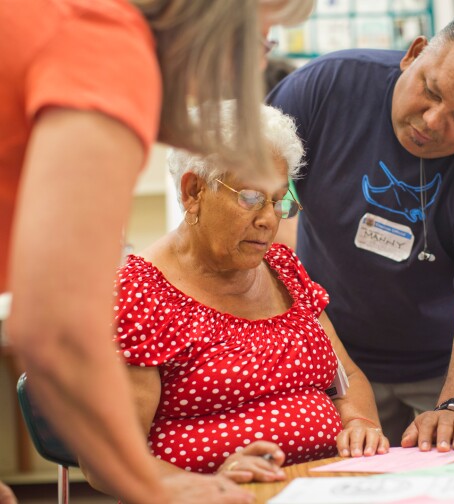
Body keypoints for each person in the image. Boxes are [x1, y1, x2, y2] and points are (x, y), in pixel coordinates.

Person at [0, 1, 313, 503]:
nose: (259, 67)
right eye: (262, 39)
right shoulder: (109, 45)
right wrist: (158, 484)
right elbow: (55, 328)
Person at [267, 10, 454, 451]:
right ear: (413, 54)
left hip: (447, 357)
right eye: (429, 91)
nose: (432, 121)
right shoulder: (327, 87)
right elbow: (248, 179)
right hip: (338, 353)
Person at [96, 101, 388, 486]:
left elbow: (347, 376)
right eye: (251, 197)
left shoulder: (283, 268)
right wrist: (210, 481)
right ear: (194, 191)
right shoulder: (138, 293)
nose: (269, 219)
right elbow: (108, 461)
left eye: (278, 200)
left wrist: (358, 423)